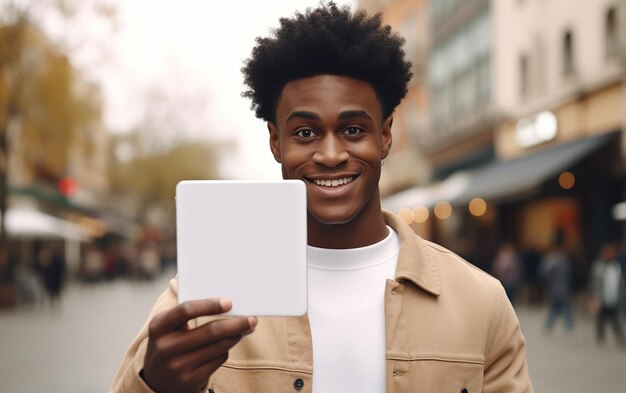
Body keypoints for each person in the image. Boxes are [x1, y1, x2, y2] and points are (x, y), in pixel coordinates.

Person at [110, 3, 533, 392]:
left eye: (352, 130)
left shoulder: (480, 302)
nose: (330, 155)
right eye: (305, 133)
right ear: (276, 143)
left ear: (385, 135)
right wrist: (154, 385)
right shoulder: (200, 303)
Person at [590, 243, 626, 346]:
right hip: (601, 297)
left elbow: (620, 282)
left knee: (615, 318)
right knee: (600, 318)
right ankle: (600, 337)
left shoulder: (616, 266)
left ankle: (620, 338)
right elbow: (594, 282)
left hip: (613, 297)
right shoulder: (599, 266)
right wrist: (594, 296)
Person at [540, 231, 575, 332]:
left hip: (557, 287)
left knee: (558, 306)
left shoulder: (552, 258)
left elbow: (544, 272)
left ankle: (553, 324)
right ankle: (567, 324)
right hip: (558, 287)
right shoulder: (561, 258)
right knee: (561, 306)